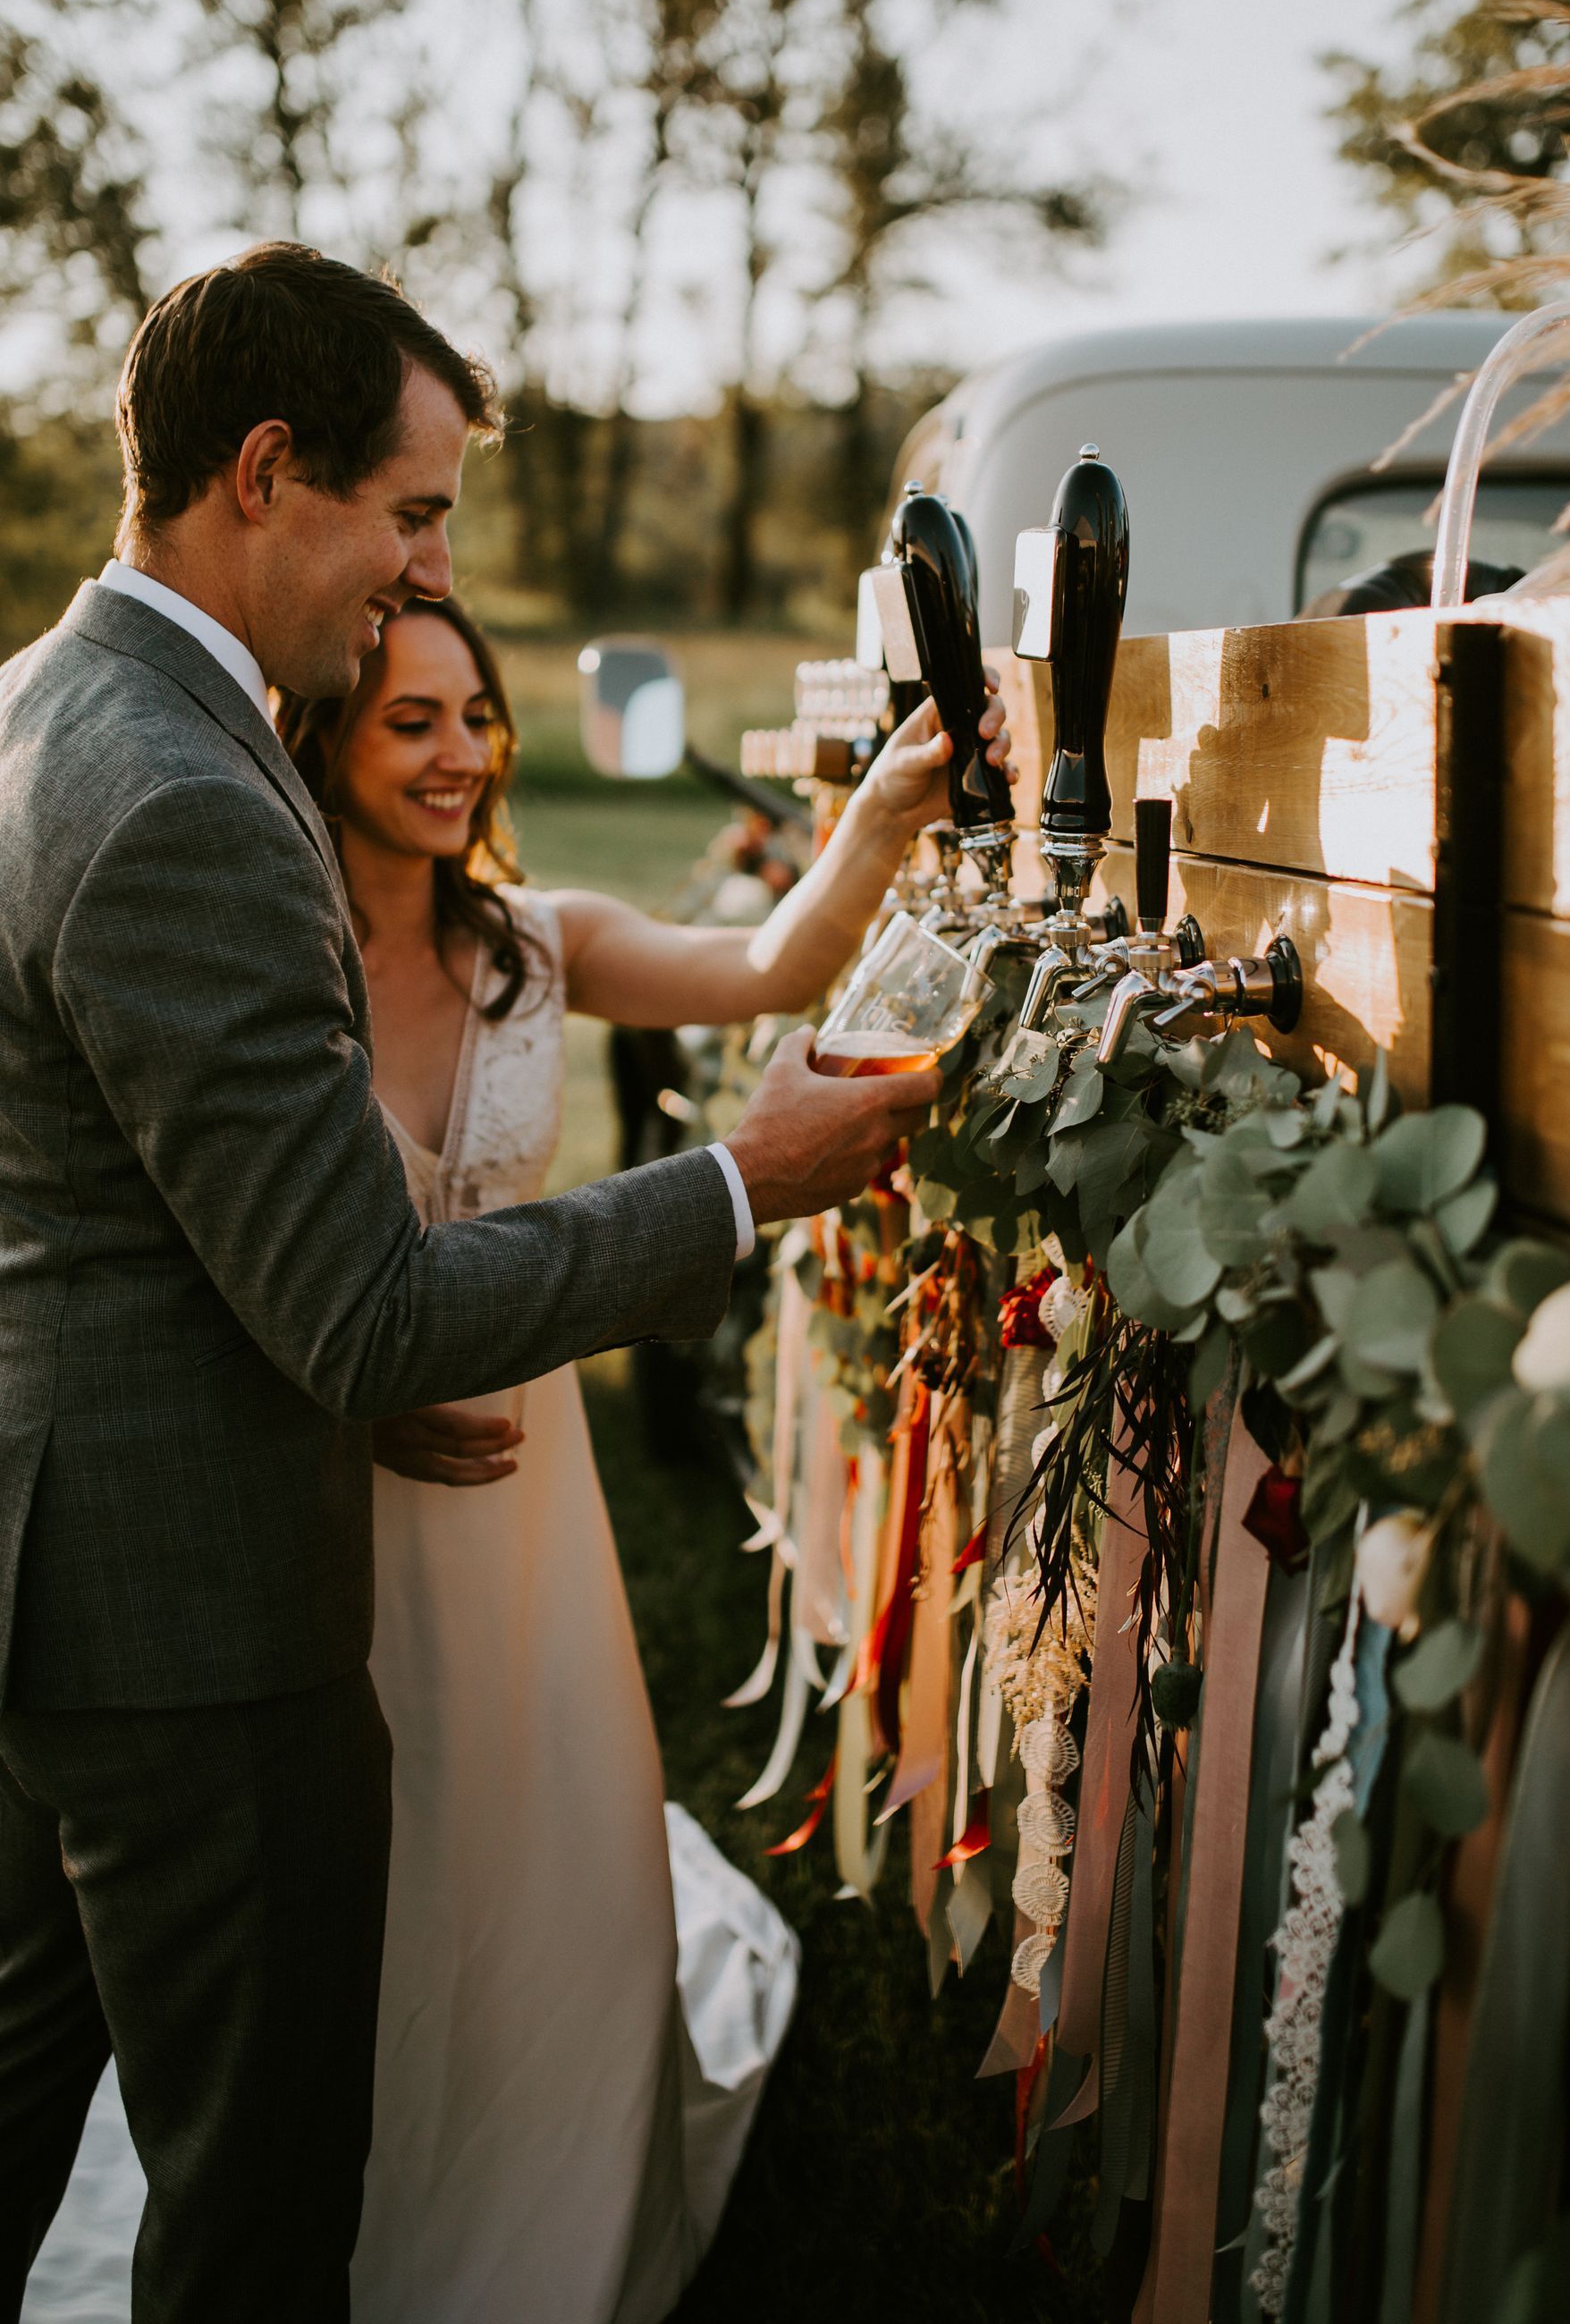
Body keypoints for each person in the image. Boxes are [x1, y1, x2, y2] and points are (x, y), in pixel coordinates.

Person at [0, 241, 941, 2324]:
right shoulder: (178, 797)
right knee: (255, 2200)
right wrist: (742, 1179)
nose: (425, 568)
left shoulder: (43, 714)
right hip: (197, 1622)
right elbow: (367, 1311)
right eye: (412, 513)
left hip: (56, 1566)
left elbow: (89, 1190)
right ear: (268, 472)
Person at [268, 596, 1009, 2323]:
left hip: (527, 1502)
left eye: (477, 717)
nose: (459, 754)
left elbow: (772, 974)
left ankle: (560, 2226)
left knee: (548, 1868)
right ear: (323, 740)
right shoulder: (264, 966)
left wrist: (887, 815)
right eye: (410, 722)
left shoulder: (542, 944)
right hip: (323, 1501)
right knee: (354, 1893)